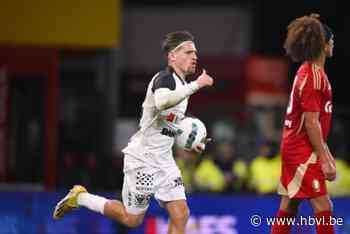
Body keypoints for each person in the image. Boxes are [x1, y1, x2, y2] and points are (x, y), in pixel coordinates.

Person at [53, 31, 214, 234]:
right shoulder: (164, 79)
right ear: (172, 56)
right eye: (188, 52)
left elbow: (171, 122)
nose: (194, 56)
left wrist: (190, 141)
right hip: (142, 160)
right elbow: (163, 101)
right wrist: (197, 84)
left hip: (164, 160)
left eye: (195, 53)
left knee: (181, 213)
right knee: (132, 219)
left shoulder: (183, 86)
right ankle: (81, 197)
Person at [270, 14, 336, 234]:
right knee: (323, 205)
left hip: (296, 147)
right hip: (302, 151)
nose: (333, 43)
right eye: (331, 40)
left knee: (289, 204)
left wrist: (325, 152)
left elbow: (315, 124)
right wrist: (324, 159)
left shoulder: (311, 73)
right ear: (322, 45)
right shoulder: (313, 77)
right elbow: (311, 123)